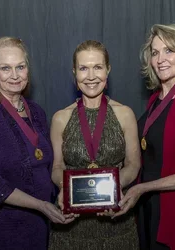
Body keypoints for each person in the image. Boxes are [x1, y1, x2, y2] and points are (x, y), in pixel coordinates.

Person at [0, 37, 74, 250]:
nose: (15, 75)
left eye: (20, 67)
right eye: (5, 68)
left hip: (38, 226)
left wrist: (65, 194)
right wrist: (41, 206)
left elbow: (46, 167)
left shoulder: (37, 112)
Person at [113, 24, 175, 250]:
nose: (160, 59)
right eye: (155, 52)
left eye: (169, 50)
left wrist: (143, 188)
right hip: (149, 207)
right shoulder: (155, 100)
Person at [48, 40, 141, 249]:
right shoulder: (60, 118)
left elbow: (133, 164)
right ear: (74, 73)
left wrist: (114, 191)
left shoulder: (125, 114)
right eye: (83, 68)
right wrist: (65, 188)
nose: (91, 76)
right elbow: (56, 167)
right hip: (70, 225)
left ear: (108, 70)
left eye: (97, 67)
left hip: (116, 222)